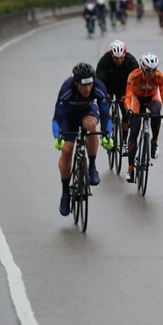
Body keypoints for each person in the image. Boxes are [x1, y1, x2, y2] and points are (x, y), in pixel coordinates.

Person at [52, 63, 114, 217]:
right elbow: (57, 117)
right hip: (68, 117)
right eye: (84, 85)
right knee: (67, 151)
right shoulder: (67, 88)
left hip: (87, 112)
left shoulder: (98, 87)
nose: (88, 89)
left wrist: (108, 134)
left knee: (91, 126)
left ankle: (92, 166)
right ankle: (65, 193)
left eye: (90, 84)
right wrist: (57, 136)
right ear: (76, 83)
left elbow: (105, 115)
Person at [124, 53, 163, 183]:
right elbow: (128, 96)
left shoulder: (160, 77)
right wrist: (128, 109)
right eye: (148, 70)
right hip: (137, 100)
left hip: (152, 98)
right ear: (143, 68)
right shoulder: (134, 76)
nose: (151, 73)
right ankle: (130, 169)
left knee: (156, 112)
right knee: (134, 131)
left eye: (154, 70)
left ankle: (154, 141)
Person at [96, 40, 140, 156]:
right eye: (116, 58)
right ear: (111, 55)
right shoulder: (105, 60)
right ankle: (106, 132)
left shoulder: (131, 61)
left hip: (124, 88)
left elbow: (136, 79)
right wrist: (102, 96)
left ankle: (124, 141)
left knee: (126, 110)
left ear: (125, 54)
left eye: (121, 58)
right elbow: (99, 80)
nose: (119, 60)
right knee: (104, 106)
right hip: (108, 87)